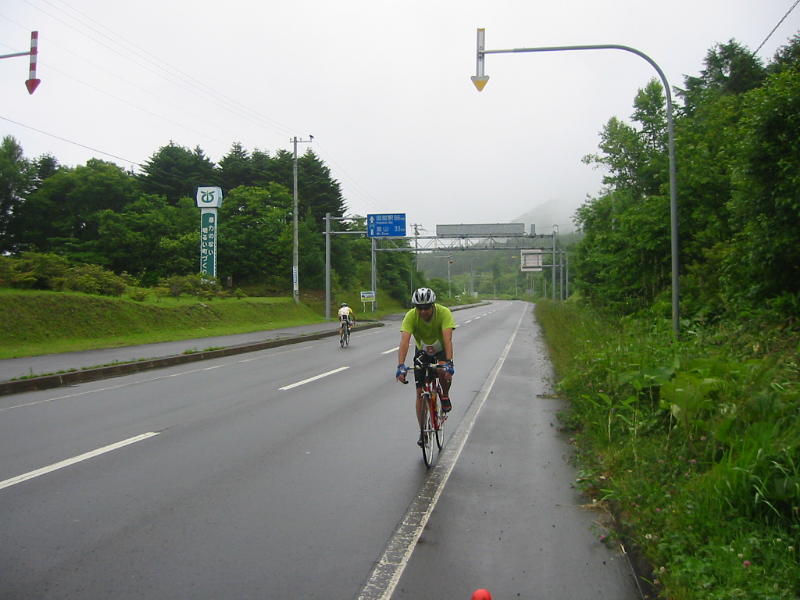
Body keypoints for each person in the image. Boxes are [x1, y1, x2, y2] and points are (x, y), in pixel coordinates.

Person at [395, 287, 456, 447]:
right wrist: (401, 365)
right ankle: (423, 431)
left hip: (441, 349)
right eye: (419, 308)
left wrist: (449, 362)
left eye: (426, 307)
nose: (423, 311)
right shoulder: (411, 316)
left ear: (433, 305)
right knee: (420, 394)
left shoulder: (444, 313)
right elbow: (404, 341)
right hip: (422, 351)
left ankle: (445, 395)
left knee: (442, 370)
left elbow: (448, 339)